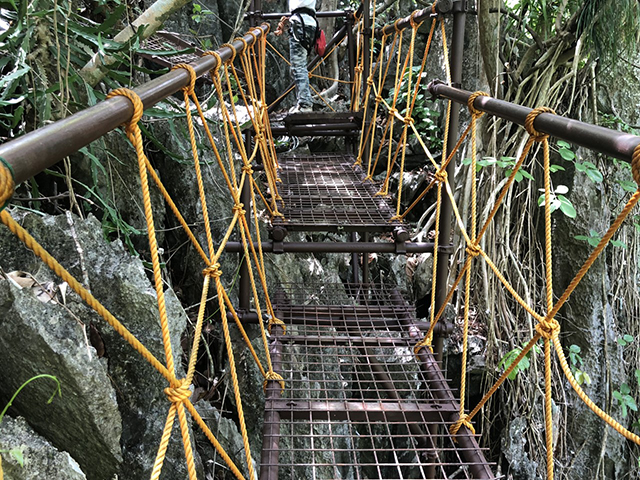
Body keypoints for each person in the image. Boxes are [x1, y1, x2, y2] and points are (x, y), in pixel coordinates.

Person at [274, 0, 318, 113]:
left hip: (301, 24)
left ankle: (305, 104)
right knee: (299, 66)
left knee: (298, 67)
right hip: (309, 23)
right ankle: (302, 102)